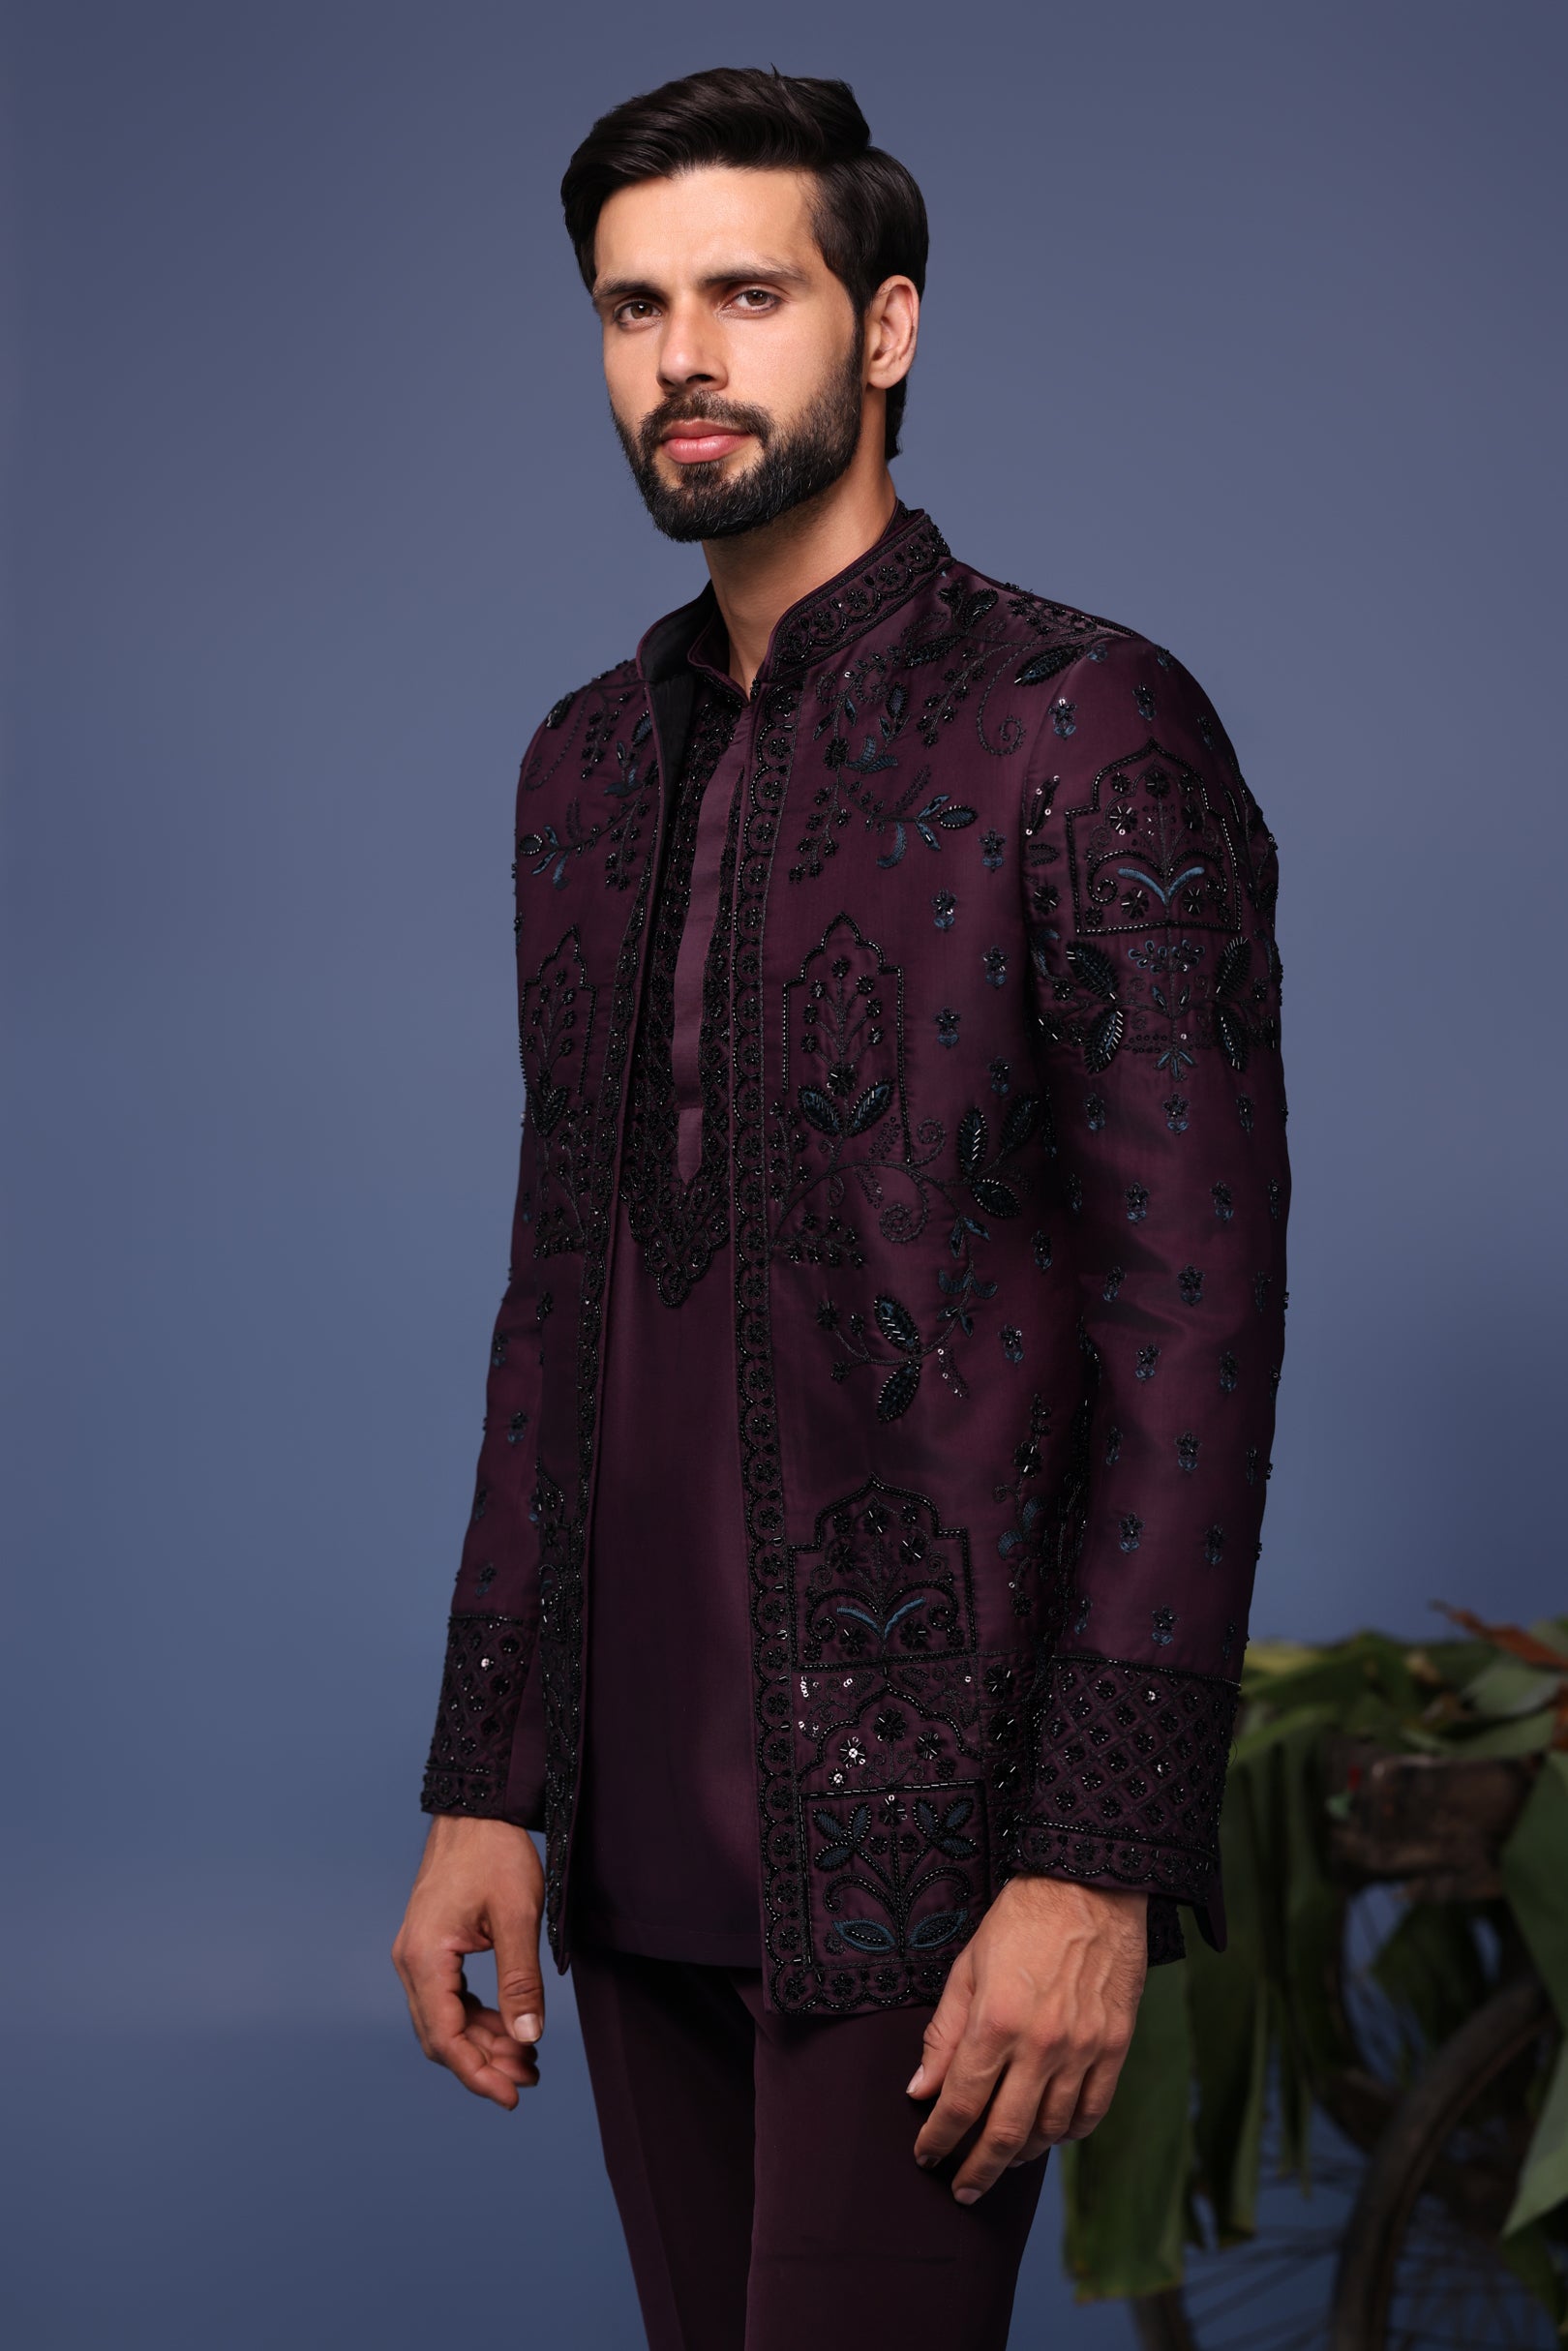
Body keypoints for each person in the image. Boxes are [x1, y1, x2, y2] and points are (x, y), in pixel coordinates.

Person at [393, 65, 1288, 2351]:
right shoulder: (585, 767)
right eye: (633, 309)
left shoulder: (1085, 726)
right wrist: (489, 1784)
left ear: (883, 327)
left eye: (747, 295)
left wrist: (1093, 1858)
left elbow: (1195, 1320)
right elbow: (555, 1297)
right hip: (633, 1831)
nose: (683, 358)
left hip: (936, 1836)